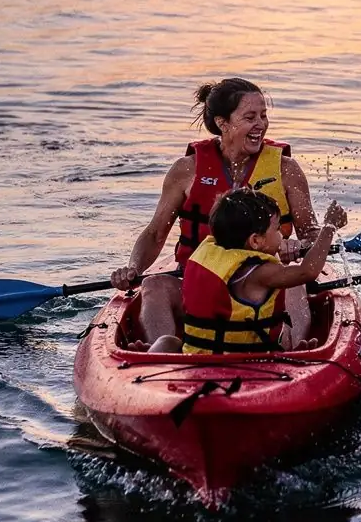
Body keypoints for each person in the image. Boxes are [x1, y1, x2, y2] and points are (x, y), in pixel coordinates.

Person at [111, 77, 321, 347]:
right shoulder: (187, 170)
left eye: (263, 116)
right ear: (223, 123)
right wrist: (133, 269)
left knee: (294, 285)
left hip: (262, 282)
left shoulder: (286, 169)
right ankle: (161, 357)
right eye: (250, 117)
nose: (261, 124)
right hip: (199, 283)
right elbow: (155, 233)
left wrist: (299, 245)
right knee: (153, 286)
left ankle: (295, 352)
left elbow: (311, 232)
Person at [148, 190, 347, 355]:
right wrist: (328, 228)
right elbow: (308, 271)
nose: (281, 236)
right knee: (283, 331)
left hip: (198, 357)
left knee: (167, 342)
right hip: (246, 362)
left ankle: (142, 364)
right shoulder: (261, 272)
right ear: (255, 241)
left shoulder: (209, 253)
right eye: (277, 230)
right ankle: (296, 353)